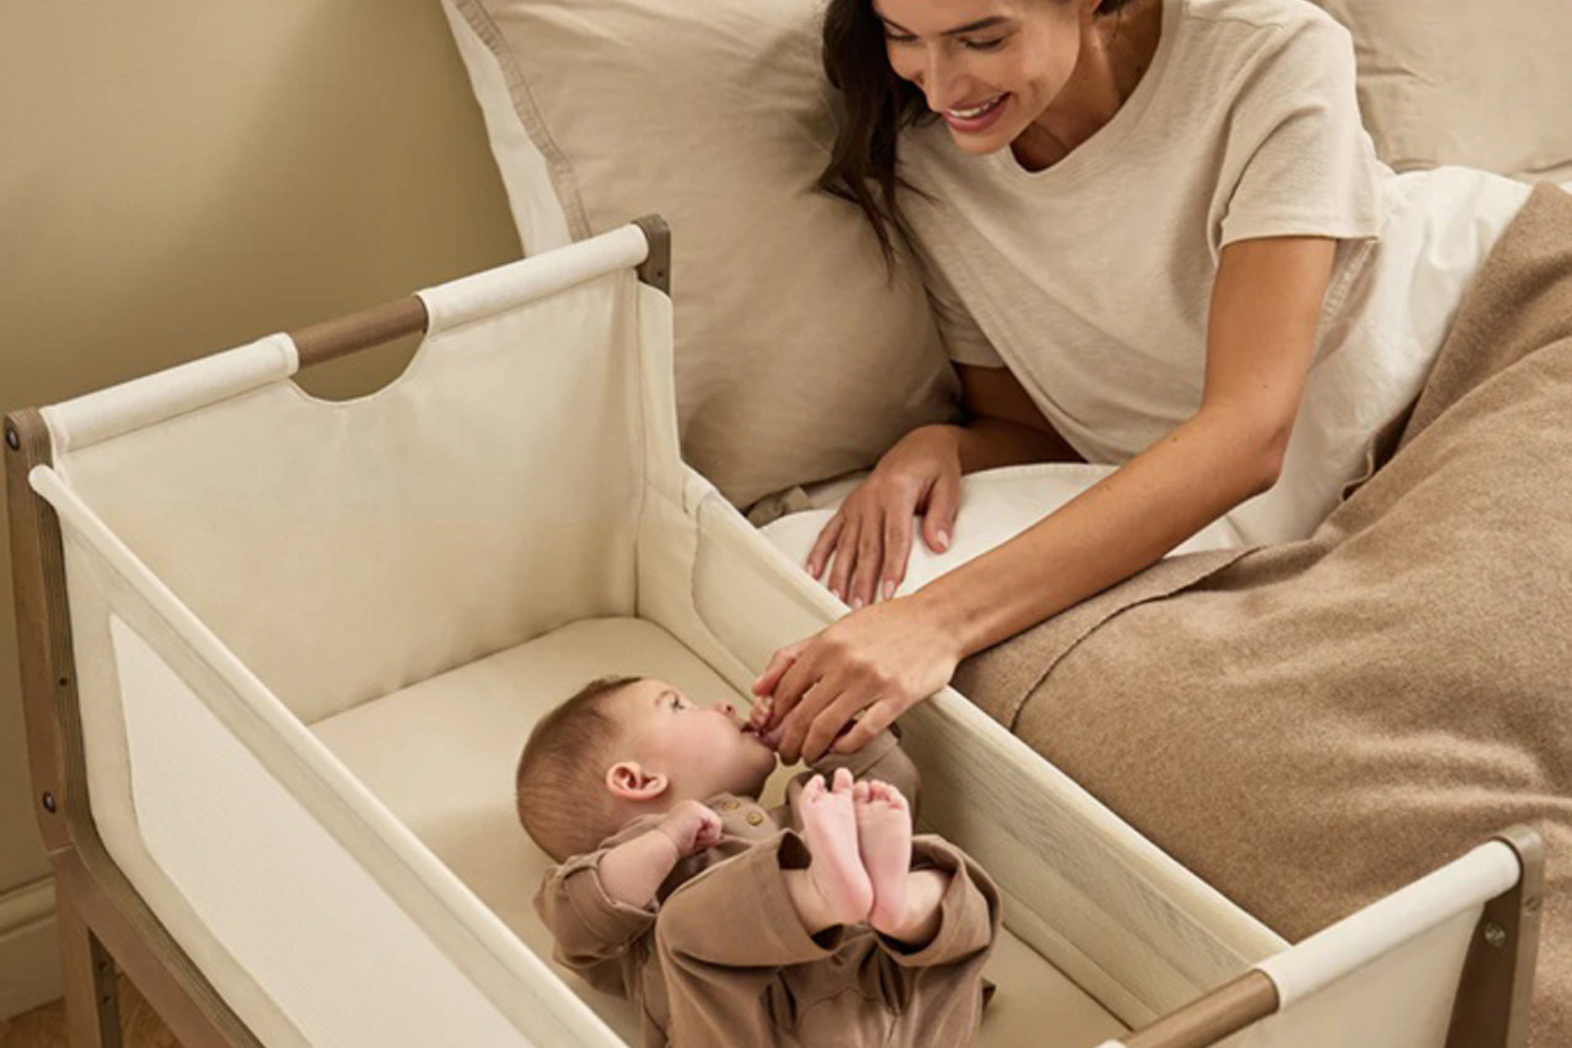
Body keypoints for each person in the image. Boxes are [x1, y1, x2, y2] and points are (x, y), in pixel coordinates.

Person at [750, 0, 1537, 763]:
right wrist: (944, 446)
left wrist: (934, 622)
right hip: (1322, 515)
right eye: (902, 36)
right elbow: (1041, 431)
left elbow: (1248, 434)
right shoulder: (921, 153)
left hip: (1496, 337)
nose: (941, 84)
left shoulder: (1265, 52)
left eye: (982, 40)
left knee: (1509, 671)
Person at [516, 676, 1000, 1048]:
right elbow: (575, 919)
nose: (723, 705)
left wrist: (829, 733)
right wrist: (662, 842)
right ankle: (836, 894)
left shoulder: (806, 811)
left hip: (903, 1005)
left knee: (948, 876)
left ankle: (900, 907)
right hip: (750, 1028)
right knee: (684, 926)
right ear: (638, 780)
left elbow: (892, 787)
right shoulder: (643, 894)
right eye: (680, 705)